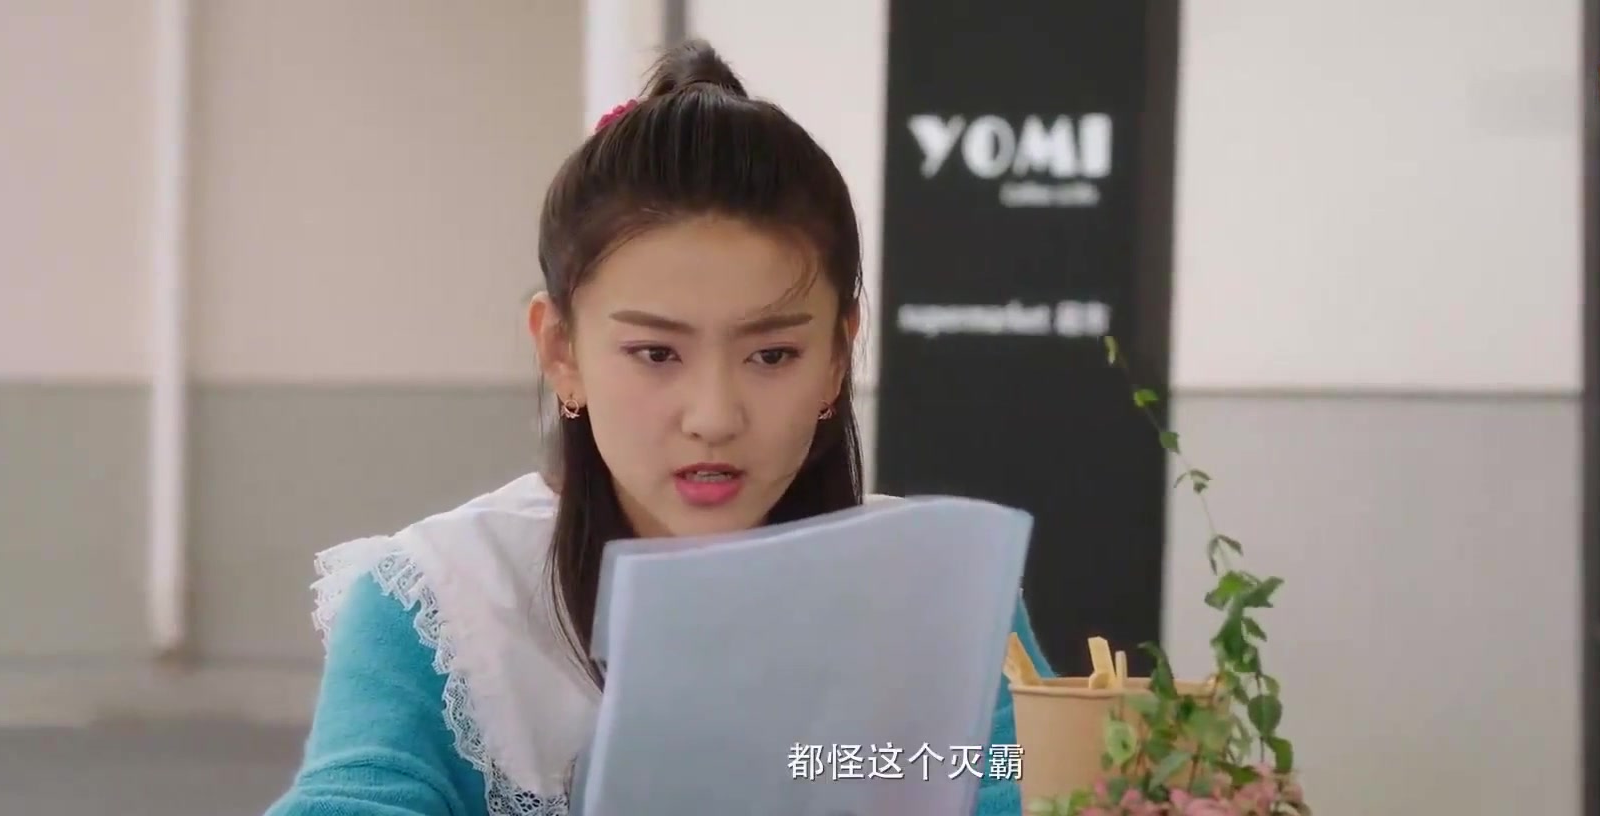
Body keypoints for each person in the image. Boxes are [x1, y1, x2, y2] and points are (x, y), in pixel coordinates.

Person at [266, 40, 1057, 816]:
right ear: (561, 351)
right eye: (655, 353)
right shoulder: (445, 601)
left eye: (772, 354)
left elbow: (1030, 790)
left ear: (836, 359)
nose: (713, 417)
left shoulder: (936, 594)